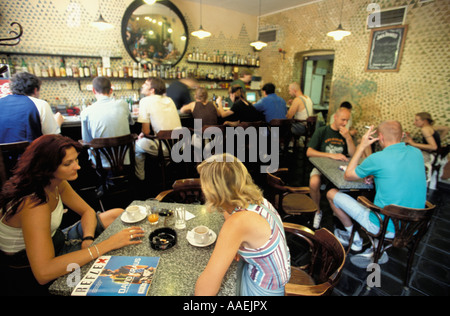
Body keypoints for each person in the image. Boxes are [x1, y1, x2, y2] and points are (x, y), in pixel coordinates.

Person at [0, 134, 144, 295]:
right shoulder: (33, 204)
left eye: (76, 160)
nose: (78, 167)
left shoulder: (56, 182)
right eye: (68, 163)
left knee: (116, 214)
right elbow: (43, 273)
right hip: (27, 264)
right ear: (46, 168)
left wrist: (88, 239)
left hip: (56, 238)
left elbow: (87, 211)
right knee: (109, 246)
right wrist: (105, 245)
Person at [195, 153, 290, 296]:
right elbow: (229, 212)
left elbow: (206, 290)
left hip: (263, 289)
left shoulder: (237, 223)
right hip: (273, 277)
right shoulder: (255, 200)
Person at [326, 121, 427, 256]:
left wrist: (362, 146)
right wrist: (376, 175)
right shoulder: (417, 153)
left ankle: (355, 240)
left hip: (383, 226)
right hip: (414, 226)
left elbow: (348, 175)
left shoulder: (377, 158)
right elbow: (401, 171)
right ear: (402, 135)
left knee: (331, 193)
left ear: (380, 137)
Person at [306, 107, 356, 229]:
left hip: (339, 170)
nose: (345, 123)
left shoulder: (346, 134)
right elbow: (309, 152)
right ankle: (317, 211)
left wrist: (348, 138)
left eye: (347, 121)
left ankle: (338, 215)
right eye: (343, 120)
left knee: (345, 187)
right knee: (314, 182)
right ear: (335, 117)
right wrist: (331, 155)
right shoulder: (322, 131)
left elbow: (354, 155)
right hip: (321, 167)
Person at [135, 77, 182, 180]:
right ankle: (168, 169)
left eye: (146, 84)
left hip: (164, 147)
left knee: (137, 146)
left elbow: (146, 131)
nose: (142, 85)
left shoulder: (145, 101)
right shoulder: (169, 100)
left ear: (152, 90)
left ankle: (140, 179)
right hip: (180, 145)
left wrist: (144, 133)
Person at [80, 76, 134, 167]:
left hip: (101, 163)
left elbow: (86, 140)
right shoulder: (123, 104)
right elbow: (131, 122)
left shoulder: (86, 112)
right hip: (124, 159)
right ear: (111, 90)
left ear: (93, 91)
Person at [0, 72, 64, 143]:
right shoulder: (40, 104)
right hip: (30, 153)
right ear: (35, 90)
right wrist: (58, 122)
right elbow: (52, 137)